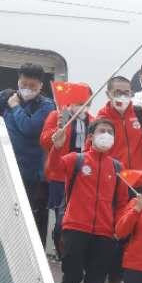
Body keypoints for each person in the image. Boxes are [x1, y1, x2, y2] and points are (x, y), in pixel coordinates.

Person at [45, 117, 129, 283]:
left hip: (104, 234)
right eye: (102, 130)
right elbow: (52, 170)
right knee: (71, 274)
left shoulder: (118, 168)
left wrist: (117, 226)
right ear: (91, 136)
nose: (107, 135)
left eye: (110, 132)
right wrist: (56, 147)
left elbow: (122, 202)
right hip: (75, 228)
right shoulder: (77, 159)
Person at [96, 76, 142, 283]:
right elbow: (93, 149)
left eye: (126, 92)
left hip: (140, 183)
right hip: (115, 182)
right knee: (113, 231)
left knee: (136, 232)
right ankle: (109, 275)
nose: (122, 96)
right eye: (118, 92)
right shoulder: (102, 117)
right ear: (108, 93)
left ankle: (126, 277)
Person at [0, 63, 55, 244]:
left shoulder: (46, 106)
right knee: (1, 212)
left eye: (32, 86)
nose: (27, 89)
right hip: (4, 168)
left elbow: (29, 128)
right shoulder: (6, 96)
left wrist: (15, 107)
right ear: (18, 81)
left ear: (40, 86)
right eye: (24, 84)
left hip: (30, 174)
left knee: (25, 215)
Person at [41, 97, 92, 259]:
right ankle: (59, 249)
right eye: (78, 101)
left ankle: (69, 252)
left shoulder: (93, 121)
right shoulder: (58, 115)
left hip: (83, 177)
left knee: (76, 219)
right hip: (61, 175)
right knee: (60, 220)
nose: (81, 105)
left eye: (86, 102)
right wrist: (58, 130)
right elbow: (44, 141)